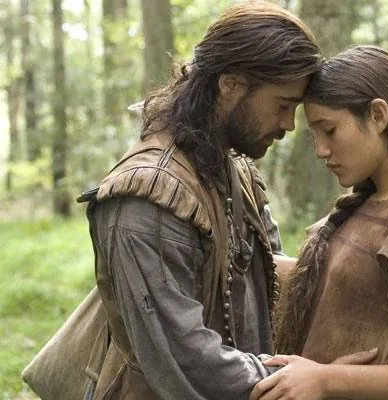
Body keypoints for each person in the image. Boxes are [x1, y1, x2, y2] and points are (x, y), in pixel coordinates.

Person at [76, 1, 324, 399]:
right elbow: (185, 358)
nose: (288, 125)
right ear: (230, 86)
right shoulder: (148, 199)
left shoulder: (237, 170)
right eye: (282, 105)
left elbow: (268, 280)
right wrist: (294, 379)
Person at [249, 45, 388, 400]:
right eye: (315, 135)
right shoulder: (367, 205)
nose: (321, 150)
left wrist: (327, 379)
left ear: (378, 116)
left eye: (330, 130)